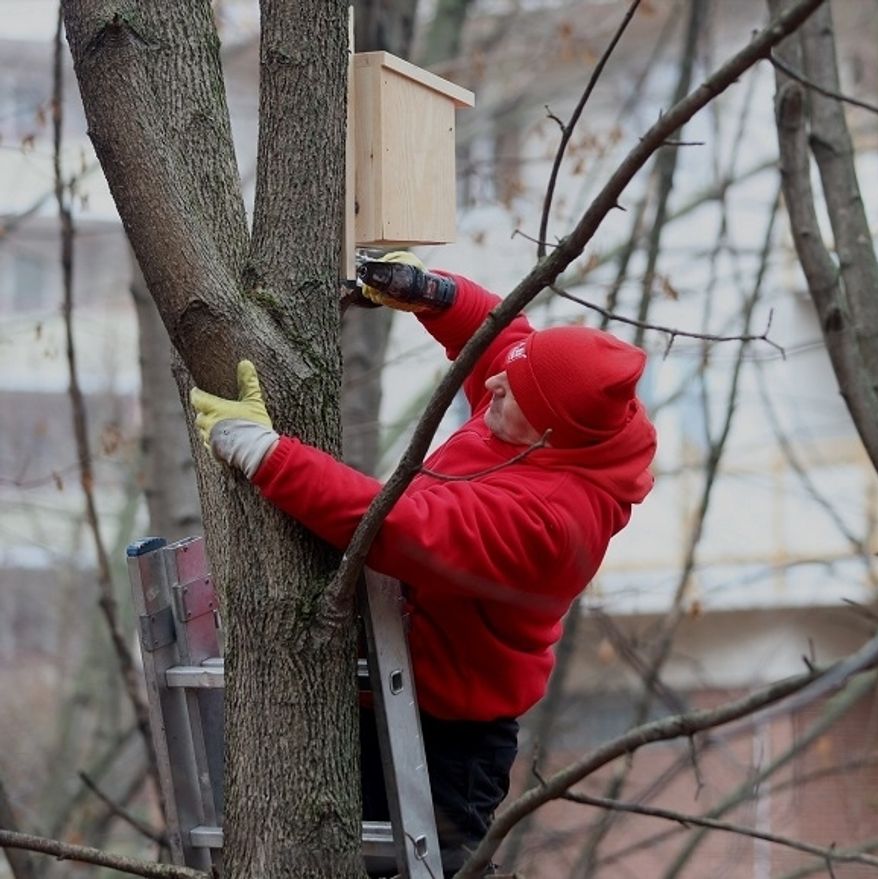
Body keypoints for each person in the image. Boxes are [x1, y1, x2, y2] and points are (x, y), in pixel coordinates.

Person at [189, 253, 657, 877]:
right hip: (391, 689)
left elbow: (401, 529)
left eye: (512, 392)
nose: (492, 384)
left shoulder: (549, 524)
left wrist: (268, 456)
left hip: (446, 744)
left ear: (551, 433)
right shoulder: (561, 416)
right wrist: (435, 295)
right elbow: (503, 341)